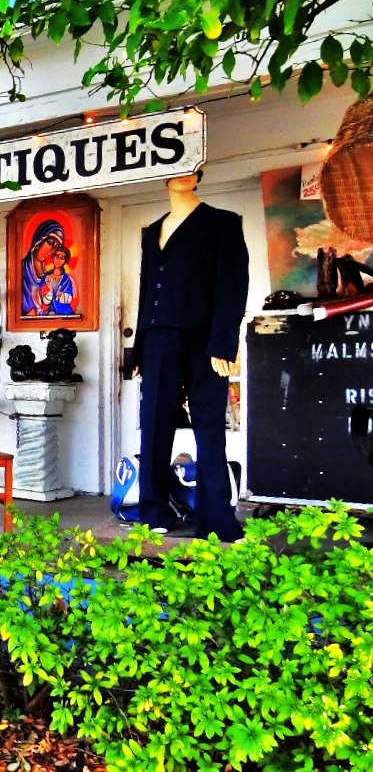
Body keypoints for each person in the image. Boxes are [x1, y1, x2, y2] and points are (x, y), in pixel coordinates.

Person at [132, 169, 248, 542]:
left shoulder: (222, 223)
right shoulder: (152, 232)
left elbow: (233, 284)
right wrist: (138, 350)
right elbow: (147, 289)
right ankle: (152, 509)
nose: (186, 175)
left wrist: (224, 343)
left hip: (204, 339)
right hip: (157, 338)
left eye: (192, 169)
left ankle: (215, 517)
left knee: (209, 427)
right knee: (154, 424)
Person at [20, 219, 65, 316]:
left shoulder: (47, 275)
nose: (52, 250)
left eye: (57, 246)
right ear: (39, 241)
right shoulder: (22, 269)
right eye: (49, 242)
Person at [40, 246, 78, 316]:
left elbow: (69, 299)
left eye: (62, 258)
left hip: (65, 311)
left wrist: (60, 296)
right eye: (57, 257)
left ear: (65, 262)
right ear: (53, 258)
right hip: (49, 313)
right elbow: (43, 299)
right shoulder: (45, 278)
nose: (58, 260)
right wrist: (49, 293)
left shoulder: (67, 279)